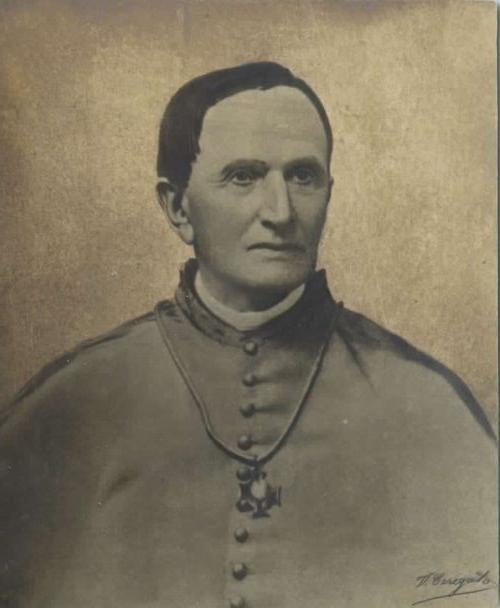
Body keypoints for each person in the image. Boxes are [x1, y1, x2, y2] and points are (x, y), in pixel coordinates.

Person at [0, 62, 496, 608]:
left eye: (302, 176)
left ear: (328, 195)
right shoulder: (70, 404)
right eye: (243, 177)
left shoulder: (426, 405)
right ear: (177, 207)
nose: (280, 212)